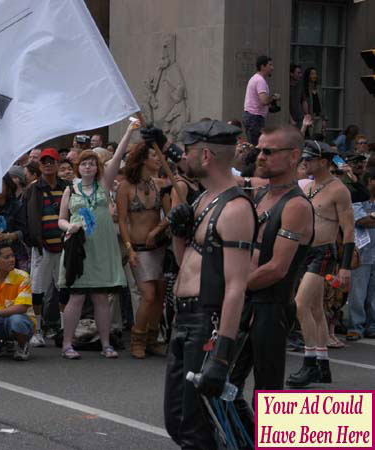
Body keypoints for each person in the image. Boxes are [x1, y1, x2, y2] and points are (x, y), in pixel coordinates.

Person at [163, 120, 256, 449]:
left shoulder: (235, 209)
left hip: (208, 322)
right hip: (183, 318)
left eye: (187, 152)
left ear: (205, 155)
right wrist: (178, 233)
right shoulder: (203, 200)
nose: (181, 158)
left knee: (196, 429)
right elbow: (184, 262)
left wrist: (221, 355)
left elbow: (235, 286)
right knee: (177, 421)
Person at [228, 125, 314, 435]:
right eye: (259, 150)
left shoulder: (296, 206)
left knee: (267, 394)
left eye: (268, 151)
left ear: (293, 156)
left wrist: (234, 287)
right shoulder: (261, 192)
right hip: (246, 303)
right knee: (223, 386)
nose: (260, 156)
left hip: (271, 307)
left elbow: (277, 267)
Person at [57, 121, 135, 359]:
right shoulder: (71, 189)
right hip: (79, 248)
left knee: (101, 297)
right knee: (77, 296)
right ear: (78, 167)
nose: (88, 166)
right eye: (84, 163)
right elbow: (61, 219)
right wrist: (69, 225)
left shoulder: (103, 184)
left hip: (102, 247)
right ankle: (67, 344)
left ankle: (105, 344)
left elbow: (120, 153)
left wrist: (130, 131)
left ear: (97, 167)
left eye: (92, 163)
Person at [287, 140, 355, 387]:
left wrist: (345, 267)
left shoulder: (338, 190)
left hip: (324, 253)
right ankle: (322, 366)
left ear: (324, 162)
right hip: (305, 252)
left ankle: (309, 364)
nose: (304, 163)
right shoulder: (308, 187)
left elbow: (349, 232)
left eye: (309, 159)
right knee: (314, 310)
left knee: (301, 304)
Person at [117, 141, 171, 358]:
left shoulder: (161, 184)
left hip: (159, 247)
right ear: (143, 159)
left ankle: (152, 337)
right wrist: (129, 249)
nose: (158, 158)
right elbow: (121, 221)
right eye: (153, 155)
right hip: (138, 249)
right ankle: (137, 338)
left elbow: (170, 215)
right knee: (147, 295)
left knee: (159, 295)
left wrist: (156, 230)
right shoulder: (125, 187)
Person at [21, 147, 70, 347]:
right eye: (44, 161)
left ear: (58, 164)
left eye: (52, 161)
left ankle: (64, 329)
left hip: (64, 246)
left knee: (64, 288)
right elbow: (25, 218)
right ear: (39, 165)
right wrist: (33, 240)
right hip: (42, 247)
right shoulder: (32, 189)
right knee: (37, 290)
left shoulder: (68, 186)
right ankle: (37, 330)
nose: (48, 164)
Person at [347, 170, 375, 341]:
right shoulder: (358, 200)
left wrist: (371, 217)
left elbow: (369, 220)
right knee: (357, 293)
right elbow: (361, 221)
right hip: (361, 254)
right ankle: (356, 327)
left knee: (373, 295)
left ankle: (372, 326)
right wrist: (370, 217)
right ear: (371, 181)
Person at [243, 55, 279, 145]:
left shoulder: (256, 78)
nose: (272, 68)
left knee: (254, 146)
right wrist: (274, 97)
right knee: (256, 147)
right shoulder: (260, 80)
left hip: (252, 117)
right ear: (263, 66)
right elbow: (264, 101)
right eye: (270, 65)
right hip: (255, 118)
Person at [303, 67, 325, 139]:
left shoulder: (319, 88)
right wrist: (307, 115)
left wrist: (324, 119)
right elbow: (304, 102)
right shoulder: (305, 88)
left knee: (318, 137)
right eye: (312, 74)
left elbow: (322, 103)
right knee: (310, 136)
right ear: (308, 76)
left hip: (319, 116)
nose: (314, 76)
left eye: (315, 74)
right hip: (311, 116)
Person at [289, 64, 308, 129]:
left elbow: (304, 101)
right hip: (290, 119)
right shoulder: (287, 87)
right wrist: (290, 119)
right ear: (291, 73)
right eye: (298, 73)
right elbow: (284, 105)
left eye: (301, 73)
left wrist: (306, 115)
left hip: (300, 118)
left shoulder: (300, 86)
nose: (300, 75)